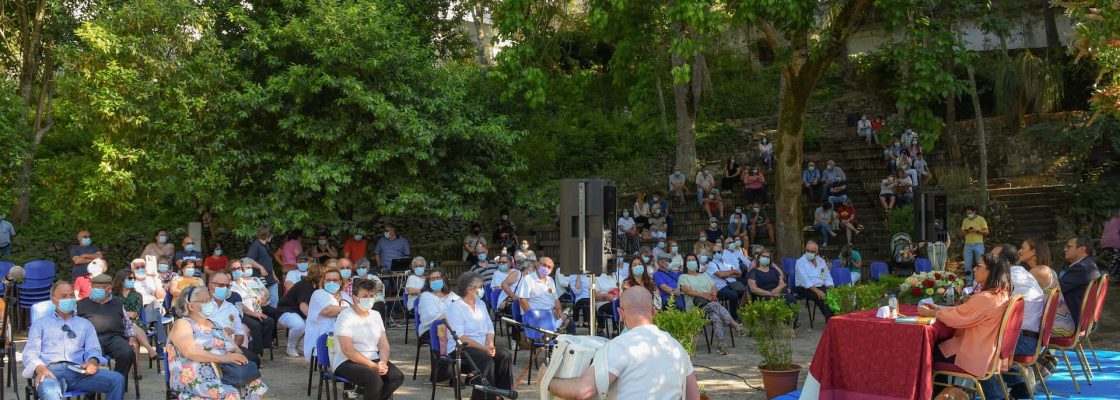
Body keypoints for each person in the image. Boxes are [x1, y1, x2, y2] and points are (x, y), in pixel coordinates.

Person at [544, 286, 700, 400]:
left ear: (620, 313)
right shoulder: (675, 346)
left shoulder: (618, 346)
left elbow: (582, 391)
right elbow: (693, 396)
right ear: (653, 312)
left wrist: (547, 380)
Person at [917, 252, 1012, 400]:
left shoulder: (985, 299)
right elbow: (963, 313)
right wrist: (939, 309)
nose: (974, 269)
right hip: (988, 350)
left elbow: (958, 319)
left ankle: (939, 395)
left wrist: (934, 313)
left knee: (927, 352)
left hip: (975, 352)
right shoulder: (1003, 294)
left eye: (979, 266)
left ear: (991, 271)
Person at [23, 281, 126, 400]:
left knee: (117, 379)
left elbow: (93, 349)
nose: (69, 299)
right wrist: (41, 369)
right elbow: (30, 353)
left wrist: (92, 363)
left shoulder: (85, 324)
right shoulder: (40, 324)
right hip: (50, 372)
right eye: (63, 296)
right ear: (53, 300)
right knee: (50, 391)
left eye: (72, 295)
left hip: (79, 372)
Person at [167, 285, 267, 399]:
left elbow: (237, 350)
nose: (209, 303)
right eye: (204, 301)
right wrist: (224, 357)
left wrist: (233, 354)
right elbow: (190, 351)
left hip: (223, 374)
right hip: (195, 378)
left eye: (209, 300)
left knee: (256, 386)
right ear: (191, 306)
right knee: (231, 394)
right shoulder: (183, 324)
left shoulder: (215, 325)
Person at [332, 279, 404, 400]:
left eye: (371, 296)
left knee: (396, 377)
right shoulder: (346, 316)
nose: (369, 299)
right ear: (355, 298)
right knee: (374, 379)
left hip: (373, 358)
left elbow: (384, 344)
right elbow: (347, 350)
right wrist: (372, 366)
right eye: (364, 296)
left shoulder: (376, 315)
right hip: (347, 361)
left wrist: (383, 363)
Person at [444, 272, 513, 400]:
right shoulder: (455, 308)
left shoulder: (480, 304)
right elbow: (461, 337)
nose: (482, 289)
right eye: (480, 286)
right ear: (470, 289)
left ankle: (500, 393)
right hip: (460, 348)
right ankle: (486, 397)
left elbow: (489, 327)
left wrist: (490, 344)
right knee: (486, 360)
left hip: (483, 345)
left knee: (504, 355)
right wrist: (484, 349)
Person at [989, 245, 1045, 398]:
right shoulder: (1023, 273)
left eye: (992, 257)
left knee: (979, 349)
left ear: (1003, 261)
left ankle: (996, 395)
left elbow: (988, 309)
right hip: (1032, 338)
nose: (988, 260)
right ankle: (1019, 384)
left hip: (1023, 341)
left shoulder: (1009, 279)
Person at [76, 273, 137, 379]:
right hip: (91, 339)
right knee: (92, 358)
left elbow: (127, 323)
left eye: (99, 287)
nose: (95, 289)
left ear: (109, 288)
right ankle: (91, 393)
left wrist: (131, 338)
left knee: (127, 353)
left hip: (115, 337)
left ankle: (117, 382)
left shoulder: (117, 303)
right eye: (93, 287)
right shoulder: (81, 304)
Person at [204, 272, 259, 364]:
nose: (225, 288)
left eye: (227, 286)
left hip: (231, 347)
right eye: (221, 285)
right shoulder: (202, 305)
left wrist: (231, 348)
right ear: (210, 286)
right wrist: (221, 331)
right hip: (208, 347)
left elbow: (240, 335)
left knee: (253, 360)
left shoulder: (231, 308)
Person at [304, 266, 353, 360]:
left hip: (343, 334)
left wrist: (349, 309)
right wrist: (349, 309)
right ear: (323, 281)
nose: (332, 283)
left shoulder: (345, 295)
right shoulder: (318, 294)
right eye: (328, 280)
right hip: (322, 336)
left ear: (341, 281)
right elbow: (328, 311)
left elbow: (353, 313)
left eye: (335, 280)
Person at [112, 270, 157, 365]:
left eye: (133, 278)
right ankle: (150, 350)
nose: (132, 280)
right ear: (121, 280)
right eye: (129, 278)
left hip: (135, 322)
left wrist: (123, 313)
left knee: (133, 330)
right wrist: (126, 313)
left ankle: (137, 370)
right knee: (133, 330)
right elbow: (114, 312)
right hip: (118, 324)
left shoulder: (137, 295)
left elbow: (135, 314)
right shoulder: (113, 296)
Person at [1057, 236, 1101, 334]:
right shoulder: (1088, 264)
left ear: (1082, 249)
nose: (1065, 249)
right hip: (1084, 318)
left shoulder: (1081, 267)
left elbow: (1057, 289)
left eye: (1069, 246)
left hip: (1073, 320)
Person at [517, 257, 571, 333]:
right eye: (544, 265)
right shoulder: (528, 279)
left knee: (570, 323)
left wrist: (560, 312)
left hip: (550, 315)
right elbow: (523, 301)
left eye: (549, 267)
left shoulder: (550, 280)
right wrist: (534, 316)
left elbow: (556, 299)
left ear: (551, 270)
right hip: (535, 316)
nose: (546, 268)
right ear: (538, 265)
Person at [276, 261, 319, 357]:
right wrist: (315, 318)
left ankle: (302, 346)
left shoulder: (317, 286)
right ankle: (290, 347)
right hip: (286, 311)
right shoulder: (305, 285)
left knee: (310, 323)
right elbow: (303, 306)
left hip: (299, 313)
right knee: (299, 325)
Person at [794, 241, 834, 321]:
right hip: (805, 289)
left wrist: (831, 287)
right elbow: (805, 281)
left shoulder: (821, 262)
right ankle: (831, 322)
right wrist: (818, 291)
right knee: (823, 298)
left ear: (817, 252)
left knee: (834, 296)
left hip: (820, 286)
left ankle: (837, 319)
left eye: (812, 251)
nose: (809, 253)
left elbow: (825, 276)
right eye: (807, 250)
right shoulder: (800, 262)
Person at [417, 269, 457, 340]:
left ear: (443, 279)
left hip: (452, 326)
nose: (435, 281)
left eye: (438, 278)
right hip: (431, 329)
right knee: (459, 335)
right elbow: (431, 315)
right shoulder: (426, 296)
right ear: (428, 282)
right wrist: (453, 317)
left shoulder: (451, 294)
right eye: (432, 279)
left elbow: (463, 306)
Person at [247, 227, 279, 309]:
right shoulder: (255, 245)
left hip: (270, 278)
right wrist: (260, 267)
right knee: (263, 301)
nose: (271, 237)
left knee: (274, 299)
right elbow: (248, 260)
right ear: (267, 235)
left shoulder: (266, 246)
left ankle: (273, 317)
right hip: (260, 278)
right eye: (271, 235)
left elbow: (268, 262)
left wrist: (274, 275)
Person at [70, 230, 103, 299]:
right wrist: (93, 260)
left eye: (88, 236)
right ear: (79, 238)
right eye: (85, 236)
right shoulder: (75, 249)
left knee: (95, 297)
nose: (87, 238)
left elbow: (100, 257)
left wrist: (84, 255)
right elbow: (77, 261)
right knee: (78, 297)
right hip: (78, 276)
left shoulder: (95, 248)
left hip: (94, 277)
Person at [960, 205, 989, 283]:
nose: (969, 215)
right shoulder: (965, 220)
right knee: (967, 265)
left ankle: (980, 282)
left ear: (974, 212)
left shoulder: (981, 219)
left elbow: (986, 232)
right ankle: (969, 283)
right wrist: (967, 231)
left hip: (978, 244)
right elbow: (961, 234)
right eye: (967, 214)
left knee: (980, 264)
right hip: (967, 245)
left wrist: (976, 231)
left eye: (970, 213)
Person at [1102, 209, 1120, 277]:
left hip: (1104, 243)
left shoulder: (1107, 222)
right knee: (1117, 257)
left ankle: (1115, 274)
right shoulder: (1118, 221)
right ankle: (1110, 273)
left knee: (1116, 257)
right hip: (1114, 242)